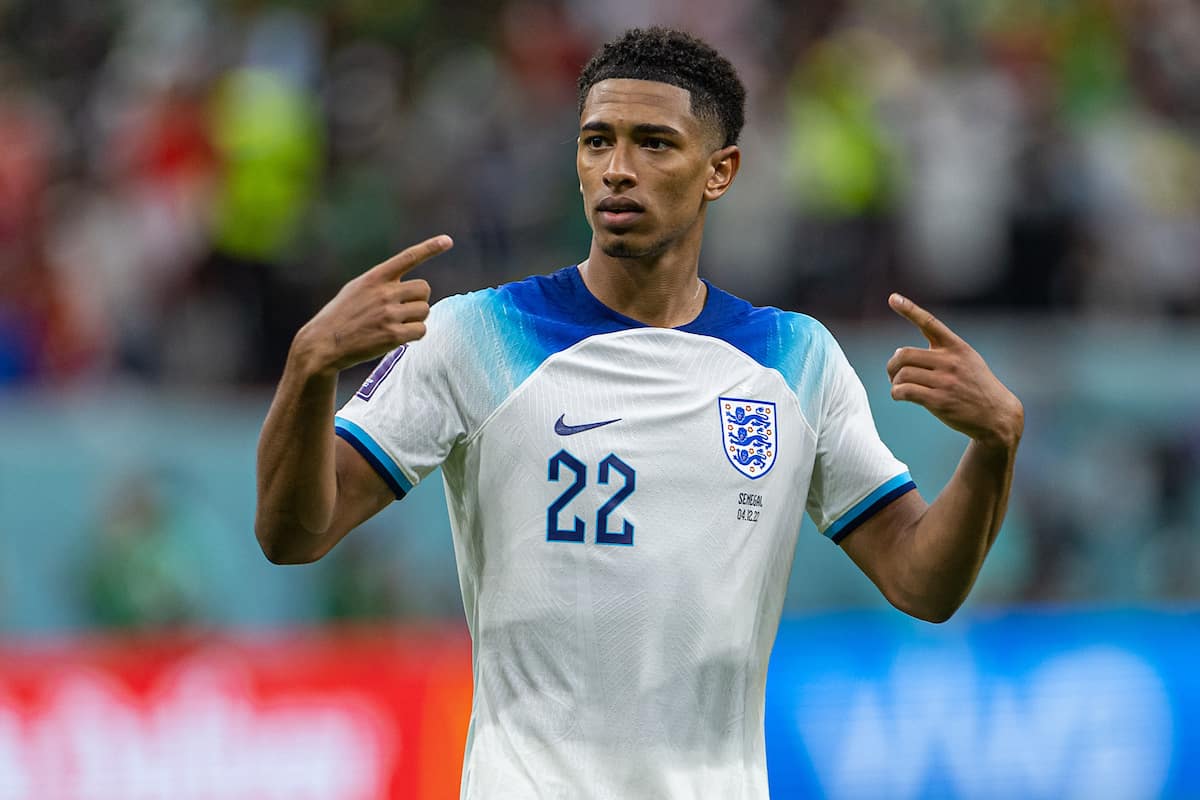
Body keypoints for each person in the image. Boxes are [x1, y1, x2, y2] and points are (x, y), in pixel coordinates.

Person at [255, 27, 1023, 799]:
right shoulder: (475, 335)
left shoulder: (795, 360)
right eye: (597, 142)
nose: (617, 170)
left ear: (720, 171)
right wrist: (308, 367)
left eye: (654, 143)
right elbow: (294, 535)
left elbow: (923, 584)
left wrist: (994, 446)